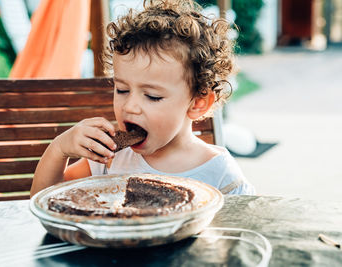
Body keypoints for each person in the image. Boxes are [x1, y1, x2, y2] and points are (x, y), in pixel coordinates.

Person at [30, 0, 255, 197]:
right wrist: (59, 149)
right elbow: (45, 199)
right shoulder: (109, 160)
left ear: (197, 103)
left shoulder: (220, 174)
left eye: (152, 96)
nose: (130, 106)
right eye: (122, 90)